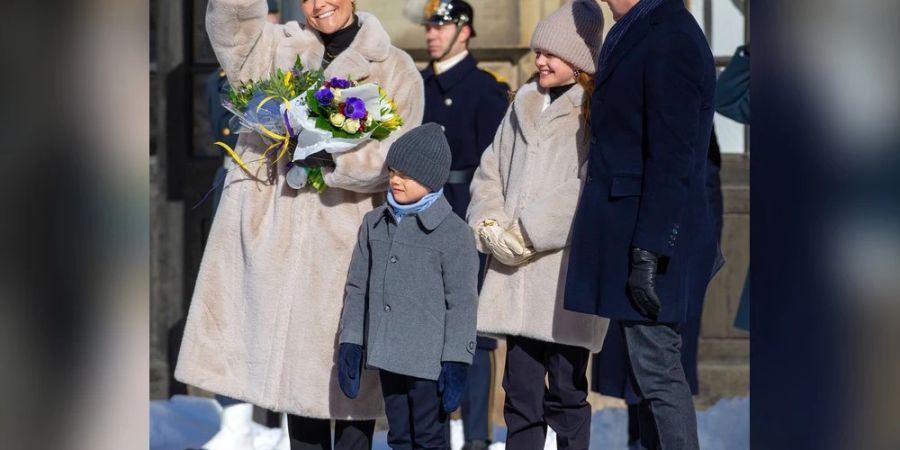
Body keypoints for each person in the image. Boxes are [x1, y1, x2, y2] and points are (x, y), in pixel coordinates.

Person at [175, 0, 425, 449]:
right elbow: (231, 26)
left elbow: (400, 155)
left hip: (346, 243)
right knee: (295, 392)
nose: (319, 4)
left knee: (349, 386)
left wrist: (333, 158)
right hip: (275, 242)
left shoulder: (396, 67)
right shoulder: (276, 47)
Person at [564, 0, 718, 448]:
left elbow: (674, 156)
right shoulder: (635, 27)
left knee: (657, 370)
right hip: (631, 226)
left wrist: (649, 249)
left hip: (654, 232)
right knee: (646, 373)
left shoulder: (670, 35)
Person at [466, 2, 607, 449]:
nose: (540, 60)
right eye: (538, 51)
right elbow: (491, 169)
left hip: (564, 278)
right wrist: (489, 223)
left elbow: (587, 189)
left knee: (566, 394)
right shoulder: (521, 104)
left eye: (552, 53)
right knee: (521, 395)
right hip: (514, 279)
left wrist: (526, 233)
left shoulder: (594, 113)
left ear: (580, 61)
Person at [336, 122, 479, 450]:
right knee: (399, 436)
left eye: (407, 175)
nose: (396, 180)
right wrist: (352, 342)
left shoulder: (454, 233)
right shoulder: (374, 223)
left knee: (429, 438)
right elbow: (357, 287)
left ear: (430, 180)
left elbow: (462, 303)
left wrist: (457, 359)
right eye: (393, 171)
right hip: (388, 356)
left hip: (429, 361)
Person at [418, 2, 510, 448]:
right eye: (430, 26)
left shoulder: (485, 91)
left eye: (443, 25)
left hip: (464, 217)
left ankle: (477, 439)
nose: (433, 34)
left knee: (473, 337)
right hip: (420, 220)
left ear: (465, 31)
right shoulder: (417, 86)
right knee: (423, 332)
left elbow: (499, 169)